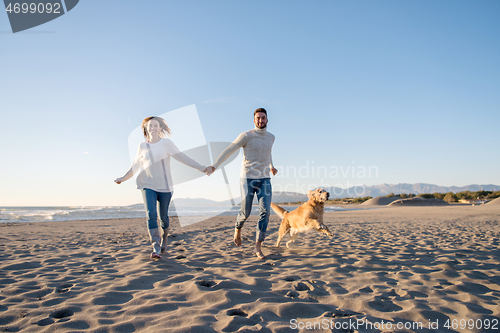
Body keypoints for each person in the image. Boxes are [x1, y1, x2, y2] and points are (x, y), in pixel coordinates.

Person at [115, 116, 211, 259]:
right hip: (147, 185)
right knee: (151, 214)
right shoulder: (142, 146)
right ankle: (156, 247)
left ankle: (165, 238)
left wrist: (202, 168)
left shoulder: (166, 144)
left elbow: (183, 157)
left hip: (165, 187)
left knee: (164, 218)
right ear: (146, 129)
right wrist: (123, 178)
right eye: (150, 126)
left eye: (155, 126)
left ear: (160, 128)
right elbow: (135, 165)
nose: (152, 128)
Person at [206, 108, 277, 259]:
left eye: (263, 118)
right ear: (253, 120)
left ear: (267, 120)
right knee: (246, 212)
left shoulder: (271, 137)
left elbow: (268, 151)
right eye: (258, 118)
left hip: (265, 178)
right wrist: (214, 166)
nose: (260, 121)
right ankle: (238, 228)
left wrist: (271, 166)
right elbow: (229, 150)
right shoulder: (246, 136)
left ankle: (258, 246)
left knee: (265, 212)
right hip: (248, 178)